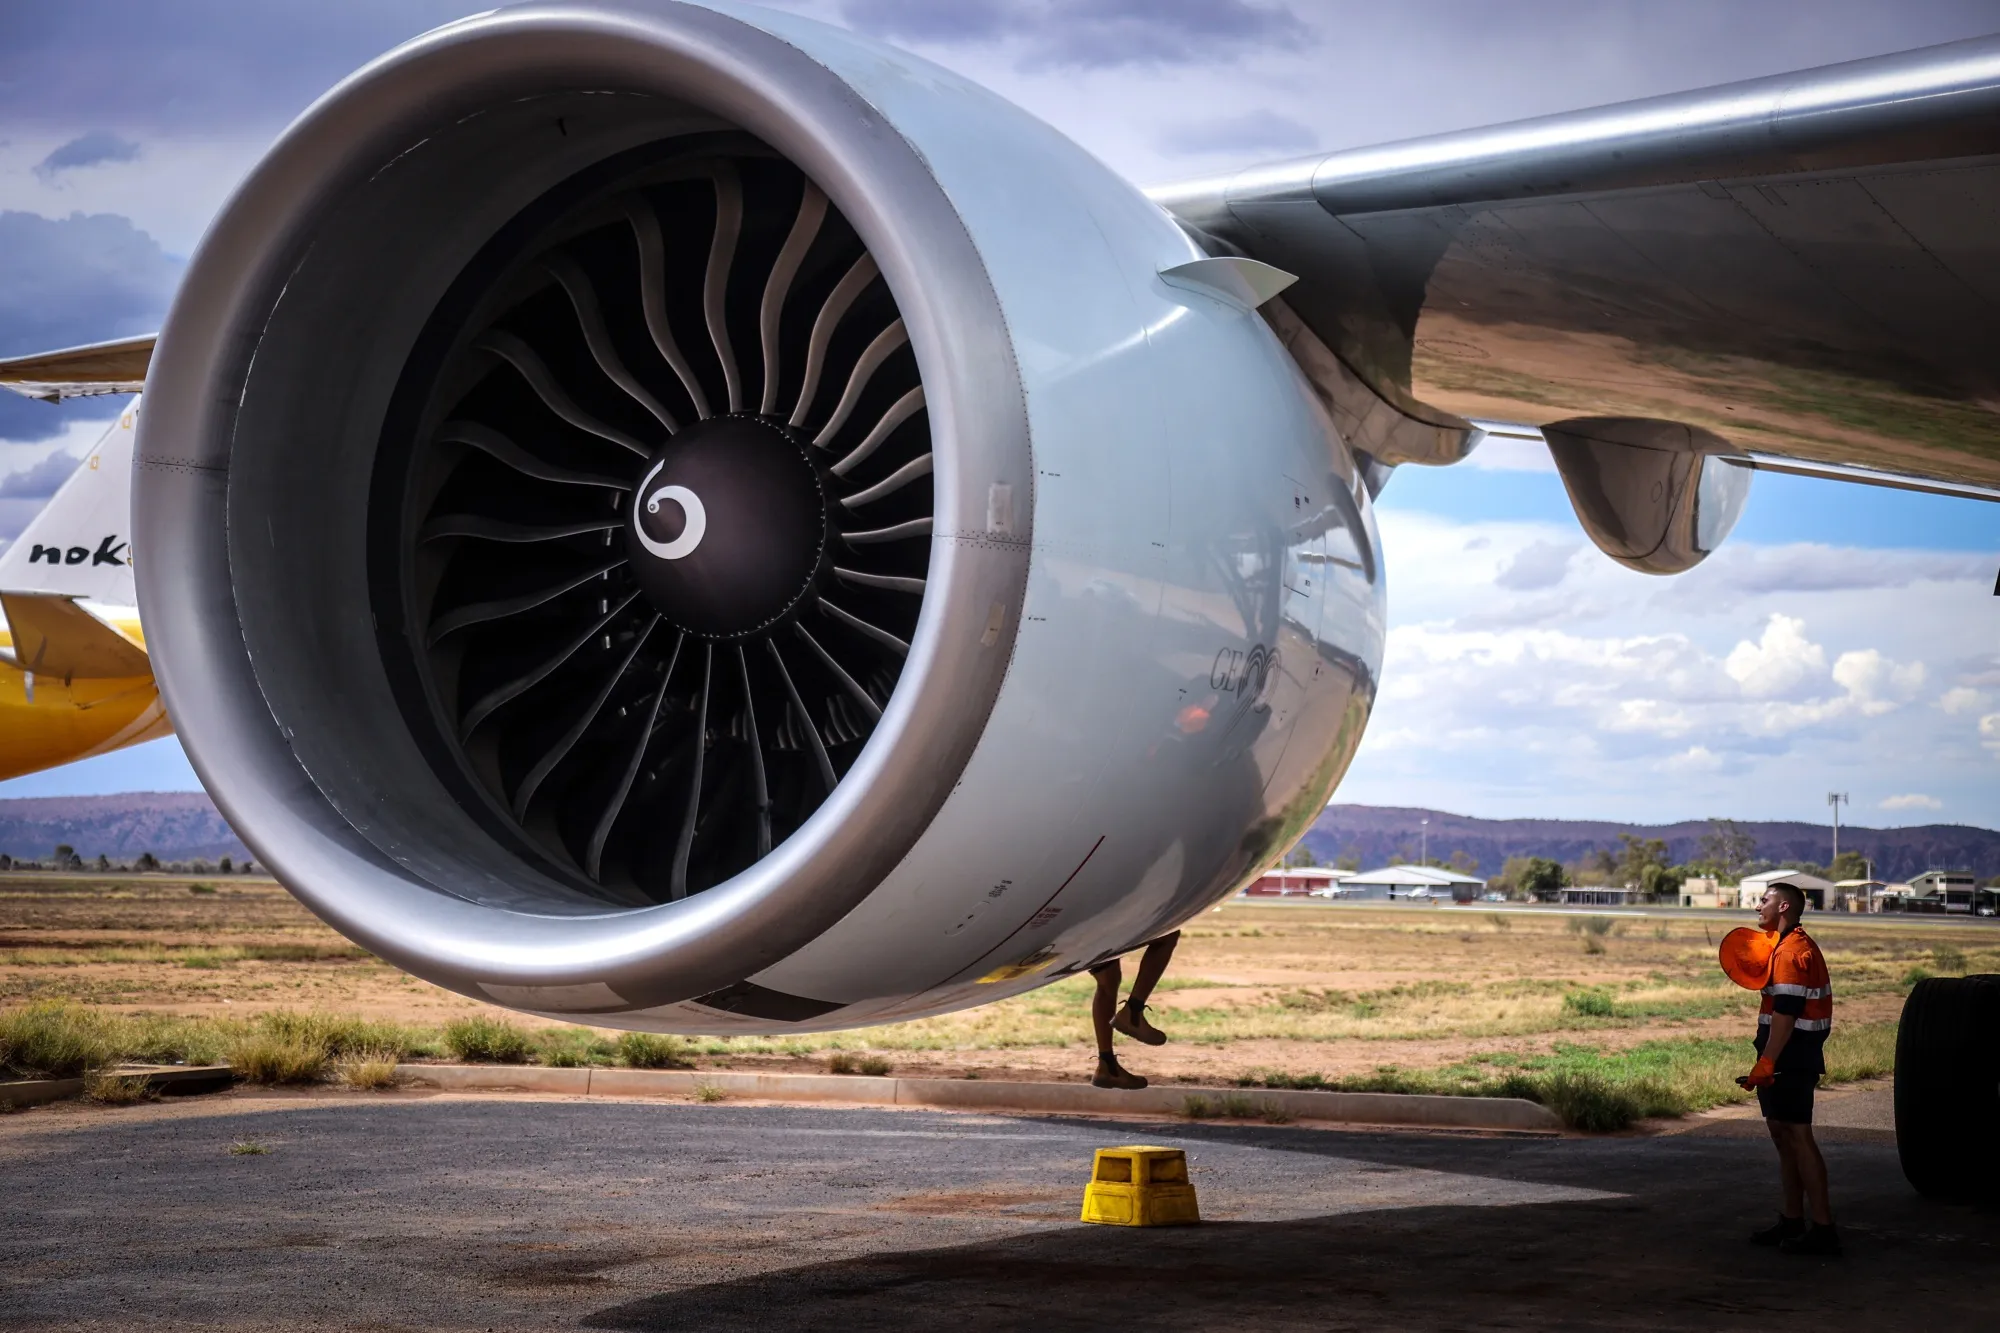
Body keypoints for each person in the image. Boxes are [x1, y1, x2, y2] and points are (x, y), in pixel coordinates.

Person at [1739, 883, 1840, 1256]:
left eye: (1763, 901)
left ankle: (1824, 1230)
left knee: (1798, 1137)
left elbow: (1786, 1014)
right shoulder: (1783, 947)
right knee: (1783, 1137)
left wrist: (1768, 1062)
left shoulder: (1792, 952)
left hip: (1791, 1056)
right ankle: (1793, 1220)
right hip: (1783, 1054)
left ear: (1783, 906)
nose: (1757, 908)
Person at [1087, 932, 1180, 1089]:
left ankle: (1107, 1066)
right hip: (1093, 928)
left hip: (1083, 931)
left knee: (1108, 978)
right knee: (1167, 936)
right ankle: (1133, 1012)